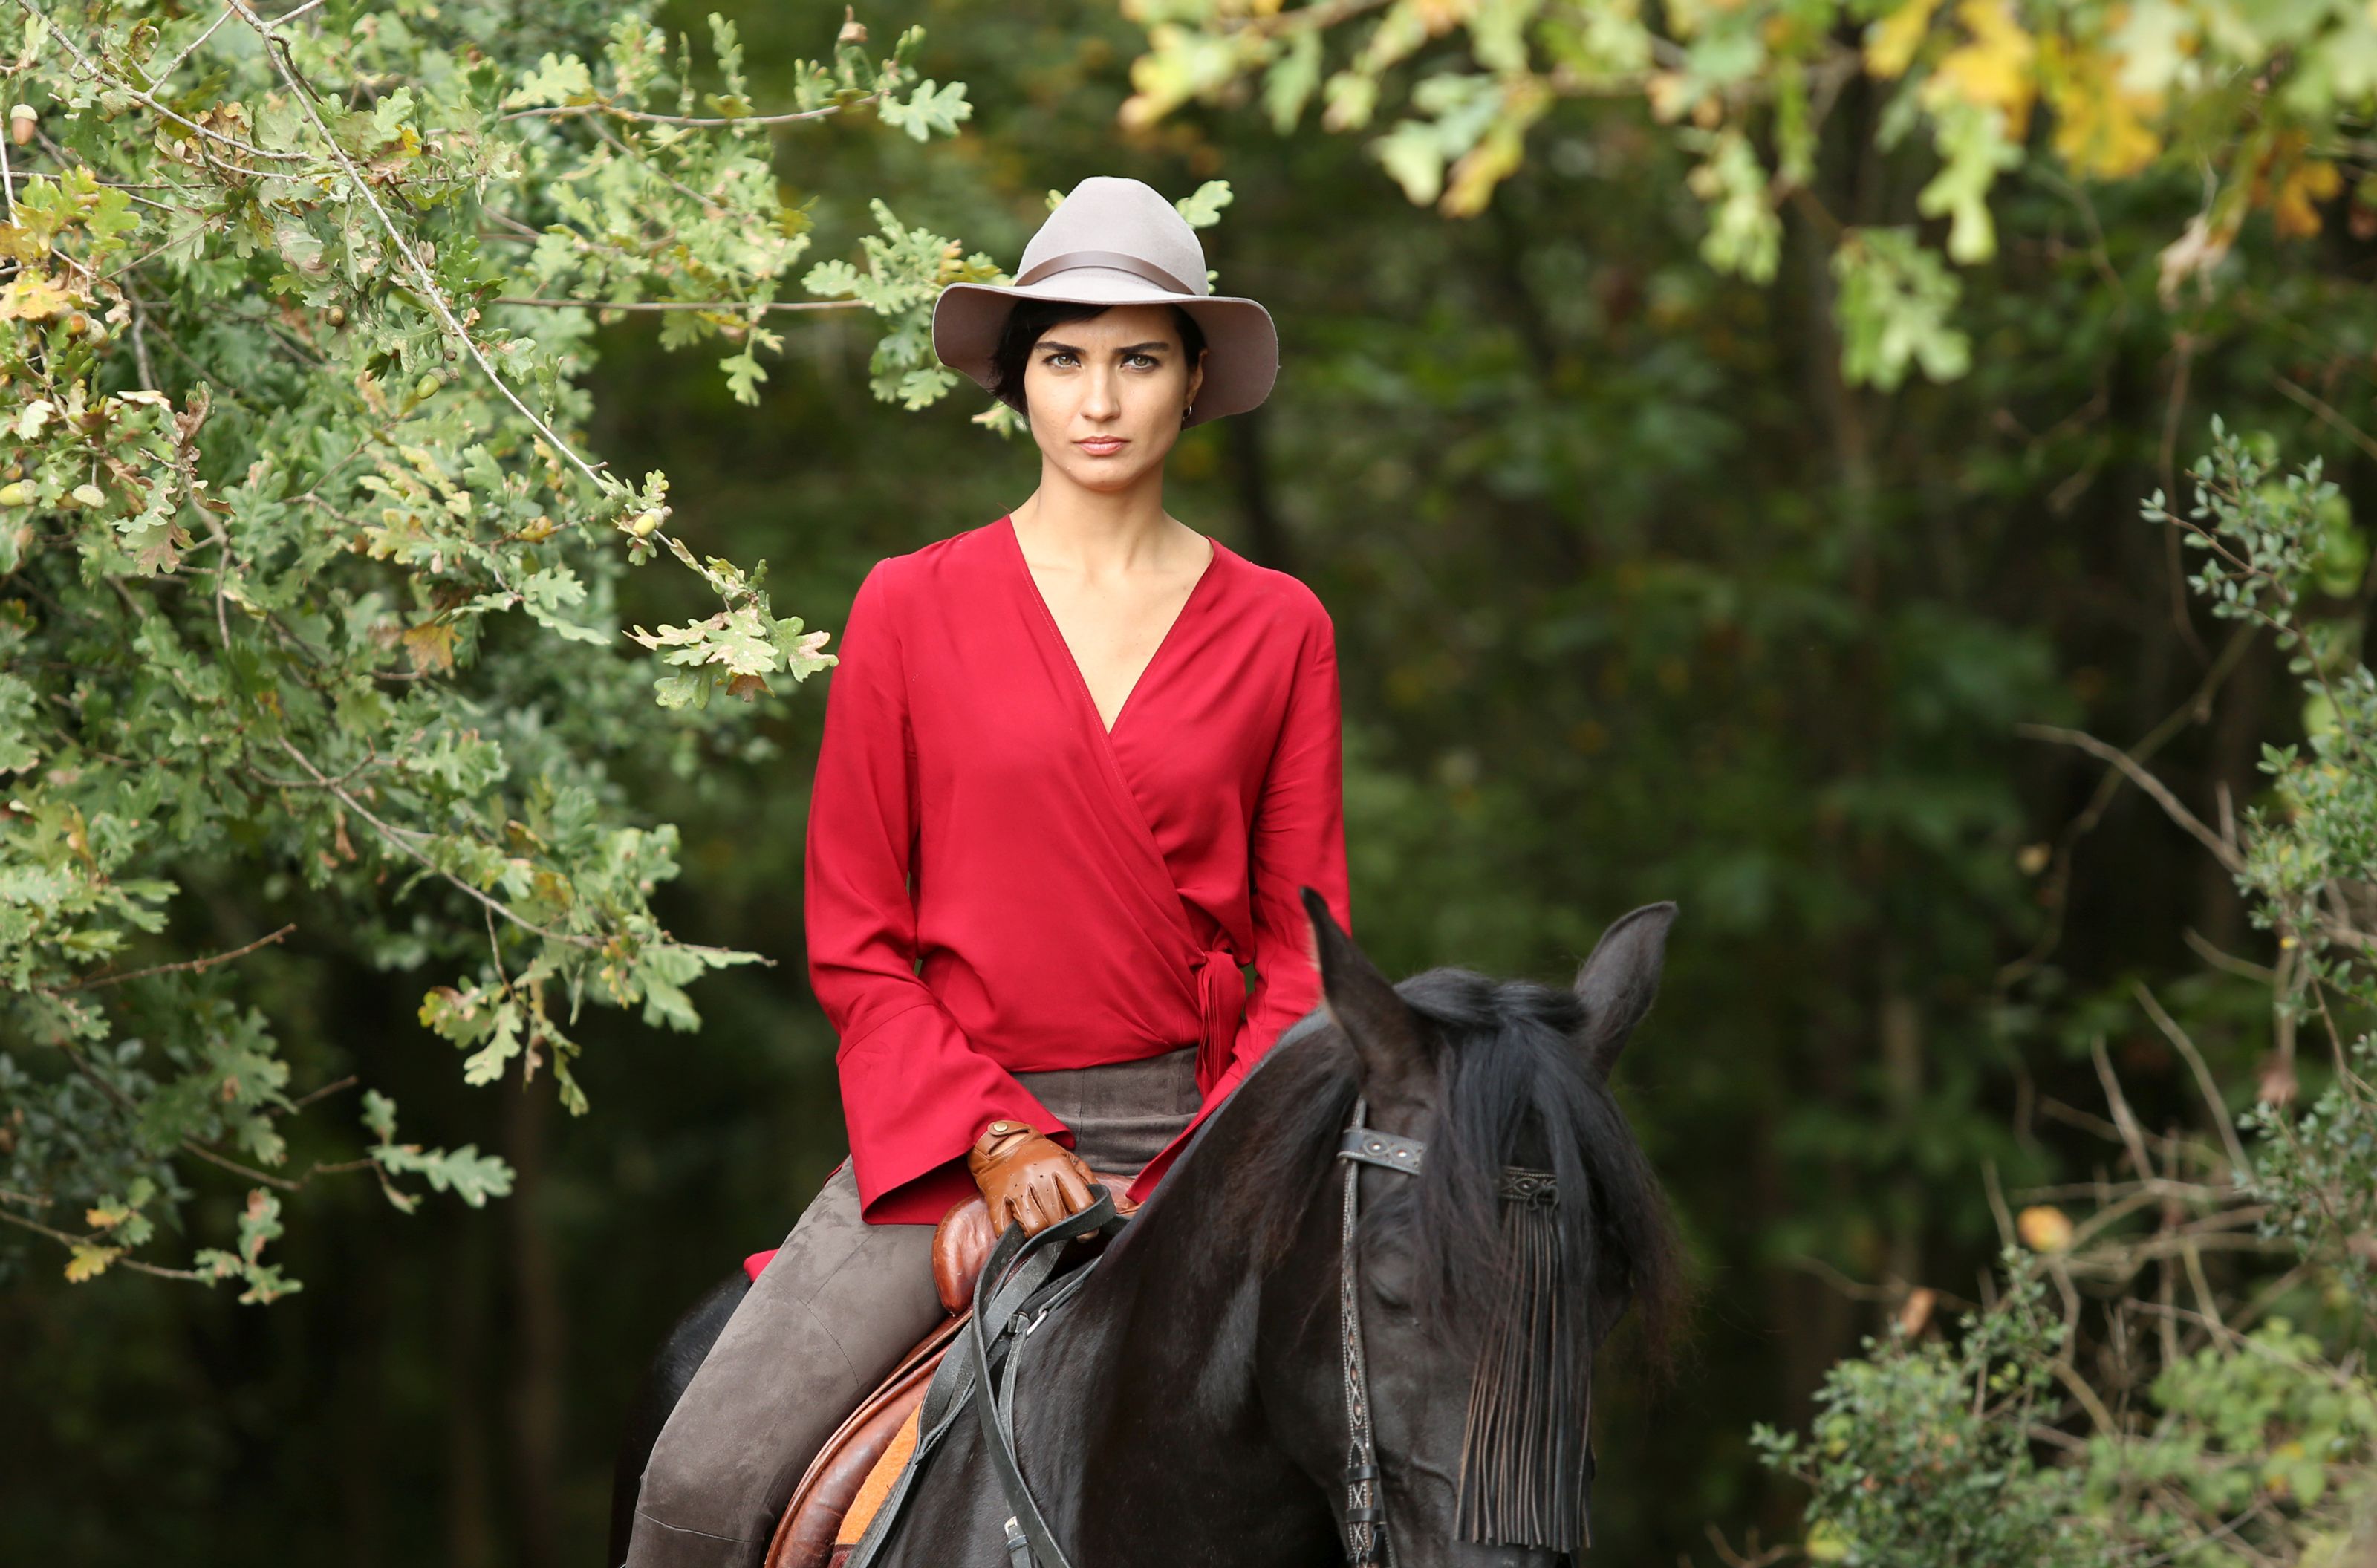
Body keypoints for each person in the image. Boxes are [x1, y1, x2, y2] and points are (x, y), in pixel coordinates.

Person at [620, 174, 1352, 1568]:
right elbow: (856, 940)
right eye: (1063, 359)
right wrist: (997, 1137)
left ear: (1195, 379)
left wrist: (1209, 1176)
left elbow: (1305, 960)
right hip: (951, 1146)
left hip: (1211, 1147)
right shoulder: (908, 604)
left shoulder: (1281, 627)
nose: (1099, 399)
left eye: (1139, 359)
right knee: (704, 1480)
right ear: (1017, 381)